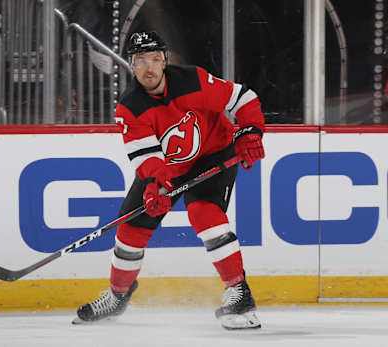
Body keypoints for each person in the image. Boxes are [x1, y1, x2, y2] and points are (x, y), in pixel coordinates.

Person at [73, 31, 265, 330]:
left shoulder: (194, 81)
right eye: (140, 61)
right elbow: (147, 155)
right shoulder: (129, 107)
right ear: (131, 66)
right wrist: (153, 185)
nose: (148, 68)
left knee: (206, 215)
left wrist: (250, 130)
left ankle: (239, 294)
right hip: (168, 168)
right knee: (130, 230)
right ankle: (117, 296)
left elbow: (243, 98)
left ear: (164, 61)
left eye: (154, 59)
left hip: (213, 154)